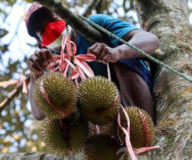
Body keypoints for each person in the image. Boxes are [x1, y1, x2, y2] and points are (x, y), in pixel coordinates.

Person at [25, 3, 159, 121]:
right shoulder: (52, 67)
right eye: (42, 31)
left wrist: (117, 52)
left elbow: (151, 40)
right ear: (41, 45)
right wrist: (35, 74)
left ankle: (143, 124)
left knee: (120, 60)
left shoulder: (93, 24)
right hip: (107, 122)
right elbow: (39, 114)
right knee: (62, 114)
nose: (51, 28)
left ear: (66, 18)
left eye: (52, 20)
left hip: (140, 96)